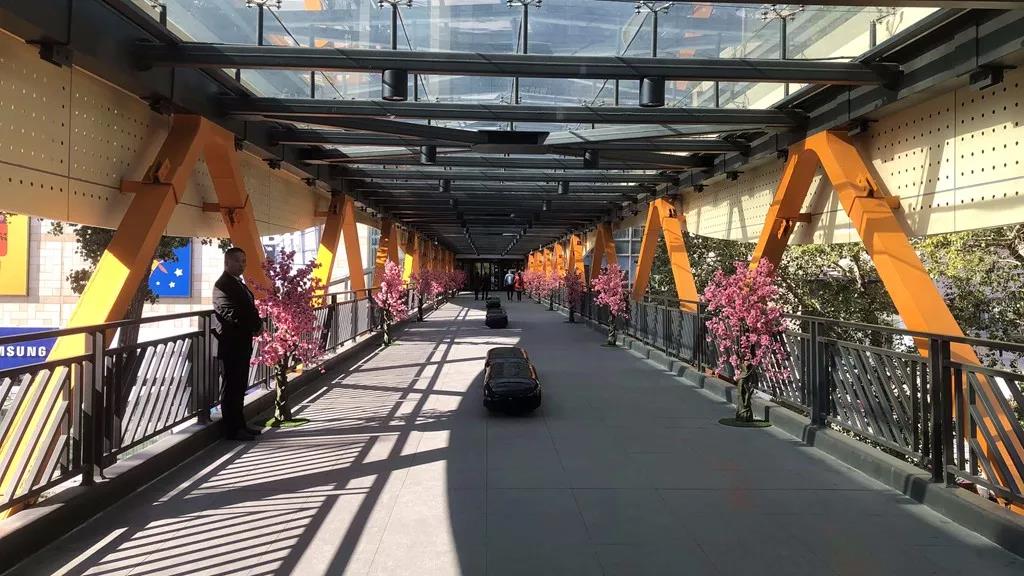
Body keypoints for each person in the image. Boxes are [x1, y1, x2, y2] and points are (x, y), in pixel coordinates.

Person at [212, 247, 264, 441]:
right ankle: (232, 430)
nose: (242, 265)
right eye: (237, 261)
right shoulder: (222, 285)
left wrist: (258, 324)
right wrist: (254, 326)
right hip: (230, 344)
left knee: (240, 385)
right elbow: (230, 313)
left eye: (244, 261)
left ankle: (241, 425)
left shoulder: (238, 283)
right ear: (227, 263)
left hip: (242, 343)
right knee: (231, 388)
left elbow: (249, 308)